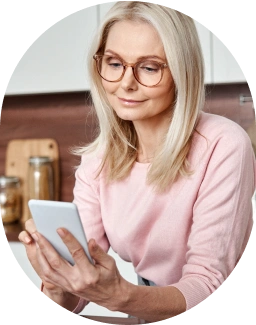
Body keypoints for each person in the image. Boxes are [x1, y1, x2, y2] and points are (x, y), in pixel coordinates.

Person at [18, 1, 256, 322]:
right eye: (114, 63)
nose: (126, 83)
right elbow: (75, 292)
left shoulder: (223, 144)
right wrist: (59, 283)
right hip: (146, 309)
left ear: (182, 72)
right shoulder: (98, 160)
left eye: (149, 67)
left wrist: (120, 296)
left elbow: (208, 284)